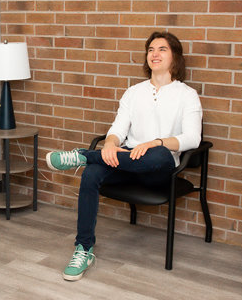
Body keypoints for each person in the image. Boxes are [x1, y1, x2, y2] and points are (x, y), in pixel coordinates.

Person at [45, 31, 202, 281]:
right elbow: (118, 130)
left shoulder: (187, 95)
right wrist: (109, 144)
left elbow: (193, 138)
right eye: (151, 49)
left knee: (158, 154)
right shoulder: (134, 92)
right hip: (126, 160)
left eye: (162, 49)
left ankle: (84, 155)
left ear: (175, 57)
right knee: (92, 173)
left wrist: (155, 142)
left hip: (158, 169)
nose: (155, 54)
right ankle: (83, 249)